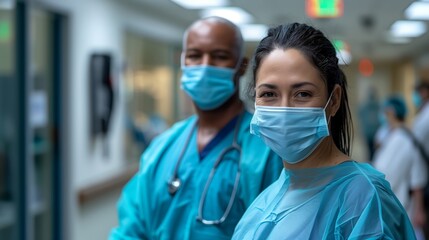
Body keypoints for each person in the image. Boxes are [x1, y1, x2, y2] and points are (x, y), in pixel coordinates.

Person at [232, 22, 416, 239]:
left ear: (334, 100)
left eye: (302, 94)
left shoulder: (364, 200)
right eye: (269, 94)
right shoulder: (267, 199)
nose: (284, 110)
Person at [109, 17, 282, 239]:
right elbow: (132, 227)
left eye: (219, 56)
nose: (205, 65)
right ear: (182, 62)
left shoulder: (267, 150)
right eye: (194, 55)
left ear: (242, 65)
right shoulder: (162, 148)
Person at [373, 95, 427, 239]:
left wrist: (419, 211)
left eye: (384, 112)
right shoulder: (390, 136)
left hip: (402, 209)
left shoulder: (405, 140)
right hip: (387, 208)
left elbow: (417, 180)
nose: (383, 116)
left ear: (391, 112)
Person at [412, 81, 429, 239]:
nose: (414, 97)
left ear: (424, 92)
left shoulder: (425, 118)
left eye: (416, 92)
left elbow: (417, 150)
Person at [357, 87, 380, 162]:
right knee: (371, 151)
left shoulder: (377, 106)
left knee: (372, 151)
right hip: (370, 132)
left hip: (372, 132)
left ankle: (372, 162)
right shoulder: (367, 107)